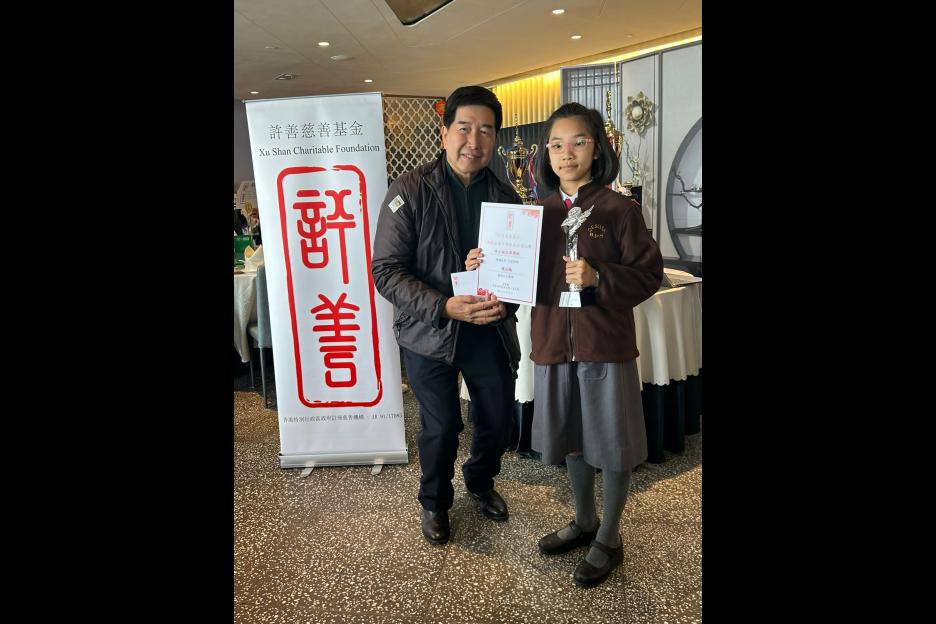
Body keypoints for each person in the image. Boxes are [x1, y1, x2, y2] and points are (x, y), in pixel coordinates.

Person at [510, 102, 662, 587]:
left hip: (604, 345)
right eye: (556, 144)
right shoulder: (536, 215)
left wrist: (600, 277)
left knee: (612, 444)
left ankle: (610, 537)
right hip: (554, 343)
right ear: (546, 153)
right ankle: (584, 520)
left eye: (578, 142)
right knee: (572, 437)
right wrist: (487, 265)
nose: (566, 153)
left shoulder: (619, 210)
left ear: (597, 148)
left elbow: (649, 275)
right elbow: (520, 280)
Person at [371, 86, 523, 546]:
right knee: (442, 426)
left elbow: (518, 273)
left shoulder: (506, 196)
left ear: (495, 138)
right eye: (464, 128)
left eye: (485, 131)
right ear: (444, 133)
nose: (473, 141)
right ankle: (435, 501)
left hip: (489, 331)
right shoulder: (410, 190)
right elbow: (386, 271)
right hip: (429, 332)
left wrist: (507, 303)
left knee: (498, 418)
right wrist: (443, 305)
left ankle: (480, 479)